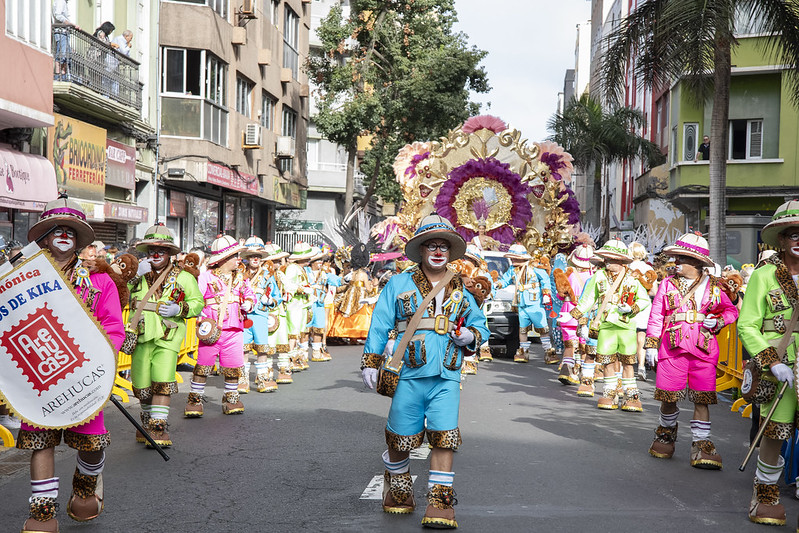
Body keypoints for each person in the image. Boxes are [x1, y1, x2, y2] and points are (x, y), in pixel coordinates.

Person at [361, 214, 489, 529]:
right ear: (420, 249)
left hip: (447, 373)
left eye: (443, 246)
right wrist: (371, 359)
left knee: (445, 437)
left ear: (450, 251)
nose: (437, 251)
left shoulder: (460, 285)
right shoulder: (399, 282)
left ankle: (441, 503)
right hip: (408, 372)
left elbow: (479, 325)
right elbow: (380, 323)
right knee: (400, 437)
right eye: (431, 245)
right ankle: (399, 489)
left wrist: (469, 336)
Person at [17, 195, 125, 532]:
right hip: (40, 374)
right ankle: (43, 514)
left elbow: (113, 328)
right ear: (45, 237)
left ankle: (85, 488)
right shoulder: (23, 278)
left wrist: (98, 357)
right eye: (56, 229)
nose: (63, 235)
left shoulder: (100, 281)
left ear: (78, 240)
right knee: (42, 441)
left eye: (70, 230)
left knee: (92, 444)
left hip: (84, 377)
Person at [644, 232, 738, 469]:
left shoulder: (715, 287)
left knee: (701, 400)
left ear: (696, 263)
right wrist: (651, 345)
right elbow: (657, 315)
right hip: (671, 349)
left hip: (704, 350)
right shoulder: (666, 283)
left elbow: (731, 311)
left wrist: (717, 322)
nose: (676, 263)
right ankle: (665, 434)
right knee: (668, 398)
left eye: (681, 259)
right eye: (676, 258)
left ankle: (701, 443)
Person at [738, 200, 799, 526]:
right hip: (780, 370)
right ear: (781, 240)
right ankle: (765, 494)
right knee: (774, 433)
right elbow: (747, 325)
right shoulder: (763, 276)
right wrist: (772, 362)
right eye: (793, 234)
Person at [127, 224, 203, 447]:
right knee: (141, 386)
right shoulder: (138, 274)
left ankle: (158, 427)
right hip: (140, 336)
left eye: (162, 250)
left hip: (168, 336)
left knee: (162, 381)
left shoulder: (185, 277)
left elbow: (198, 303)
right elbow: (117, 293)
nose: (156, 254)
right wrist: (132, 276)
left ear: (170, 253)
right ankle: (147, 421)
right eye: (152, 250)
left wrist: (179, 310)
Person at [571, 240, 650, 411]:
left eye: (611, 259)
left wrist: (631, 308)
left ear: (621, 261)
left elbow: (644, 299)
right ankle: (609, 393)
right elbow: (588, 298)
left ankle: (631, 395)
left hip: (626, 326)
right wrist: (575, 314)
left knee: (628, 363)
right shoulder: (598, 276)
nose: (607, 262)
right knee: (607, 362)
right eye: (605, 258)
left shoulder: (633, 278)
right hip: (605, 326)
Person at [184, 235, 255, 417]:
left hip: (234, 329)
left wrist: (248, 302)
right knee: (203, 365)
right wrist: (200, 314)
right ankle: (195, 399)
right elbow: (196, 298)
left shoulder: (240, 277)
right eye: (234, 256)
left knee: (233, 366)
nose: (238, 259)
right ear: (223, 260)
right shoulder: (205, 277)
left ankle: (231, 398)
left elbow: (250, 294)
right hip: (212, 329)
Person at [497, 244, 553, 363]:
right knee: (522, 329)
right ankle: (523, 351)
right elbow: (505, 280)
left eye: (514, 257)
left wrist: (546, 294)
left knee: (543, 328)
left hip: (535, 303)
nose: (512, 260)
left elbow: (545, 280)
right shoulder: (513, 270)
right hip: (521, 304)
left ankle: (549, 351)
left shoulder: (534, 267)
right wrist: (497, 284)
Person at [52, 0, 80, 81]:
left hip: (64, 31)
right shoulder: (60, 1)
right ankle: (58, 76)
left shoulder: (63, 2)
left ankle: (63, 75)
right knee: (62, 54)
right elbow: (58, 15)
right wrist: (70, 24)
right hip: (61, 31)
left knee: (65, 54)